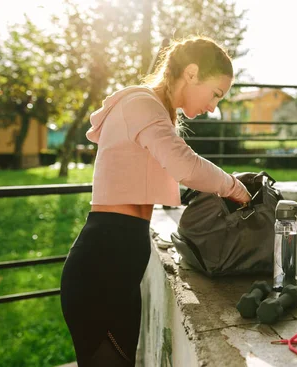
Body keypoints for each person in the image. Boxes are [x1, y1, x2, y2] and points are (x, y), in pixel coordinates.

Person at [60, 36, 251, 366]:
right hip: (101, 267)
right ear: (191, 73)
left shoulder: (154, 111)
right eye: (215, 94)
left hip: (117, 267)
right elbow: (185, 164)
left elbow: (164, 174)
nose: (212, 107)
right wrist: (233, 187)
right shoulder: (141, 103)